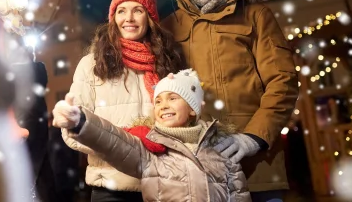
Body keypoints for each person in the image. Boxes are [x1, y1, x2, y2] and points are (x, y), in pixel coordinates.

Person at [161, 0, 299, 202]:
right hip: (199, 168)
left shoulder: (255, 15)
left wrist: (253, 138)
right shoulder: (170, 26)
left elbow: (283, 81)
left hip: (256, 165)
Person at [53, 69, 251, 202]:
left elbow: (239, 194)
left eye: (173, 98)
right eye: (158, 101)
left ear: (193, 109)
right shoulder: (151, 149)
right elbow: (113, 142)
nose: (164, 105)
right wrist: (81, 122)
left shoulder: (221, 147)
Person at [63, 0, 184, 202]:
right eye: (121, 11)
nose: (129, 17)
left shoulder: (167, 63)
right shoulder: (92, 64)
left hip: (162, 185)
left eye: (138, 10)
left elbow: (182, 123)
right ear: (113, 19)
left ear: (150, 19)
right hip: (111, 187)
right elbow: (72, 130)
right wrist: (124, 142)